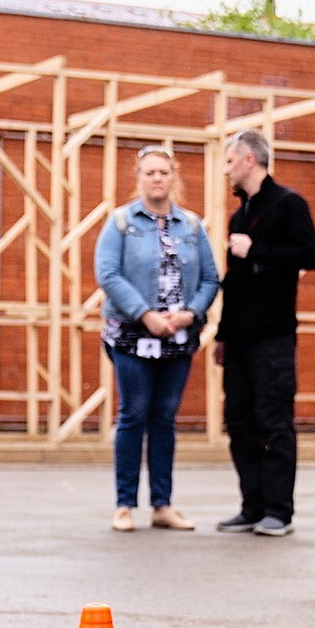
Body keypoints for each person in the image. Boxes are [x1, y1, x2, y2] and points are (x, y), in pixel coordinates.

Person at [95, 144, 219, 533]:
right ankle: (125, 503)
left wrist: (190, 313)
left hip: (177, 339)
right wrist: (145, 315)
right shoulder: (120, 222)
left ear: (173, 176)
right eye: (149, 172)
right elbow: (108, 274)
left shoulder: (192, 226)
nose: (157, 179)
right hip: (131, 336)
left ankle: (163, 505)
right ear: (139, 177)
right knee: (134, 414)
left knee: (164, 418)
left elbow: (211, 279)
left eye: (163, 172)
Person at [213, 130, 315, 538]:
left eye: (228, 161)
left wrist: (255, 249)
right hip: (239, 339)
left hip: (272, 337)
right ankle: (251, 506)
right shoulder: (239, 216)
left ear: (249, 161)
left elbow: (310, 255)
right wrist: (222, 335)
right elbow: (234, 282)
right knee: (239, 421)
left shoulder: (288, 204)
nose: (225, 170)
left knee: (273, 421)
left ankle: (278, 511)